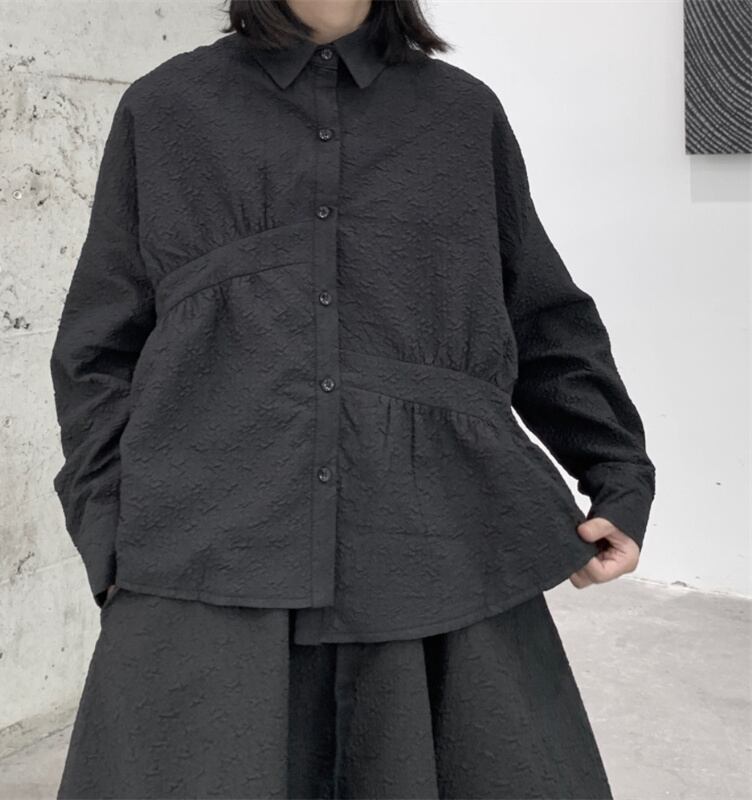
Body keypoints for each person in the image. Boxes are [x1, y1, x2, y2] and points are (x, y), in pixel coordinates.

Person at [49, 0, 656, 797]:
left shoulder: (462, 116)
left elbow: (540, 317)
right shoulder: (166, 109)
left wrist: (617, 478)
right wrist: (109, 535)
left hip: (429, 556)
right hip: (206, 561)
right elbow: (97, 350)